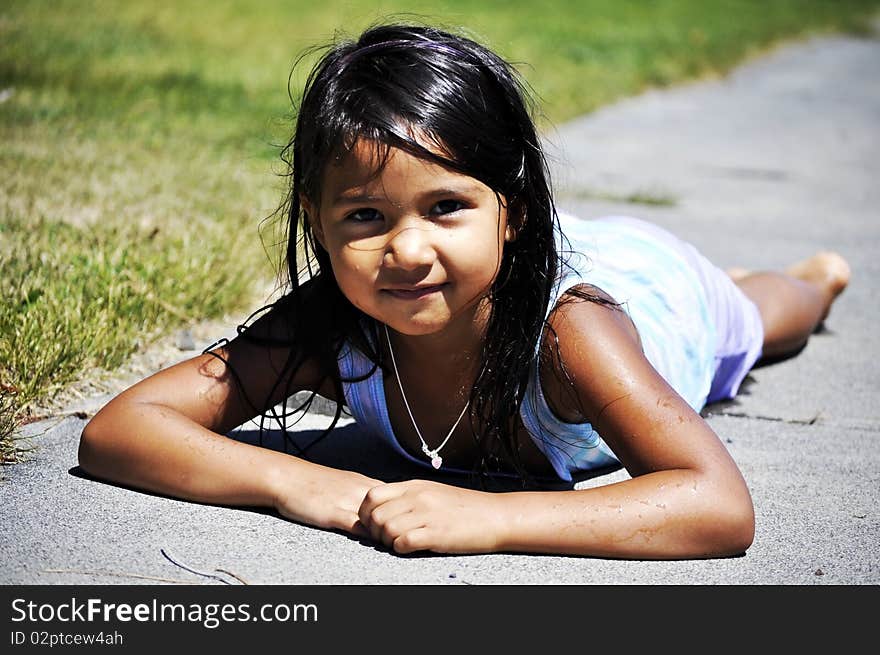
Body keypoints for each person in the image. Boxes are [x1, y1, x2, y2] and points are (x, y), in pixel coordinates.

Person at [78, 23, 850, 559]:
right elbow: (120, 429)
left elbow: (718, 505)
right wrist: (299, 484)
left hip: (658, 295)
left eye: (445, 205)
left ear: (509, 210)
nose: (407, 250)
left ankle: (808, 278)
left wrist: (495, 516)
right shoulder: (331, 327)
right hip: (515, 263)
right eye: (365, 216)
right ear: (317, 223)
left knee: (757, 318)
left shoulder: (573, 336)